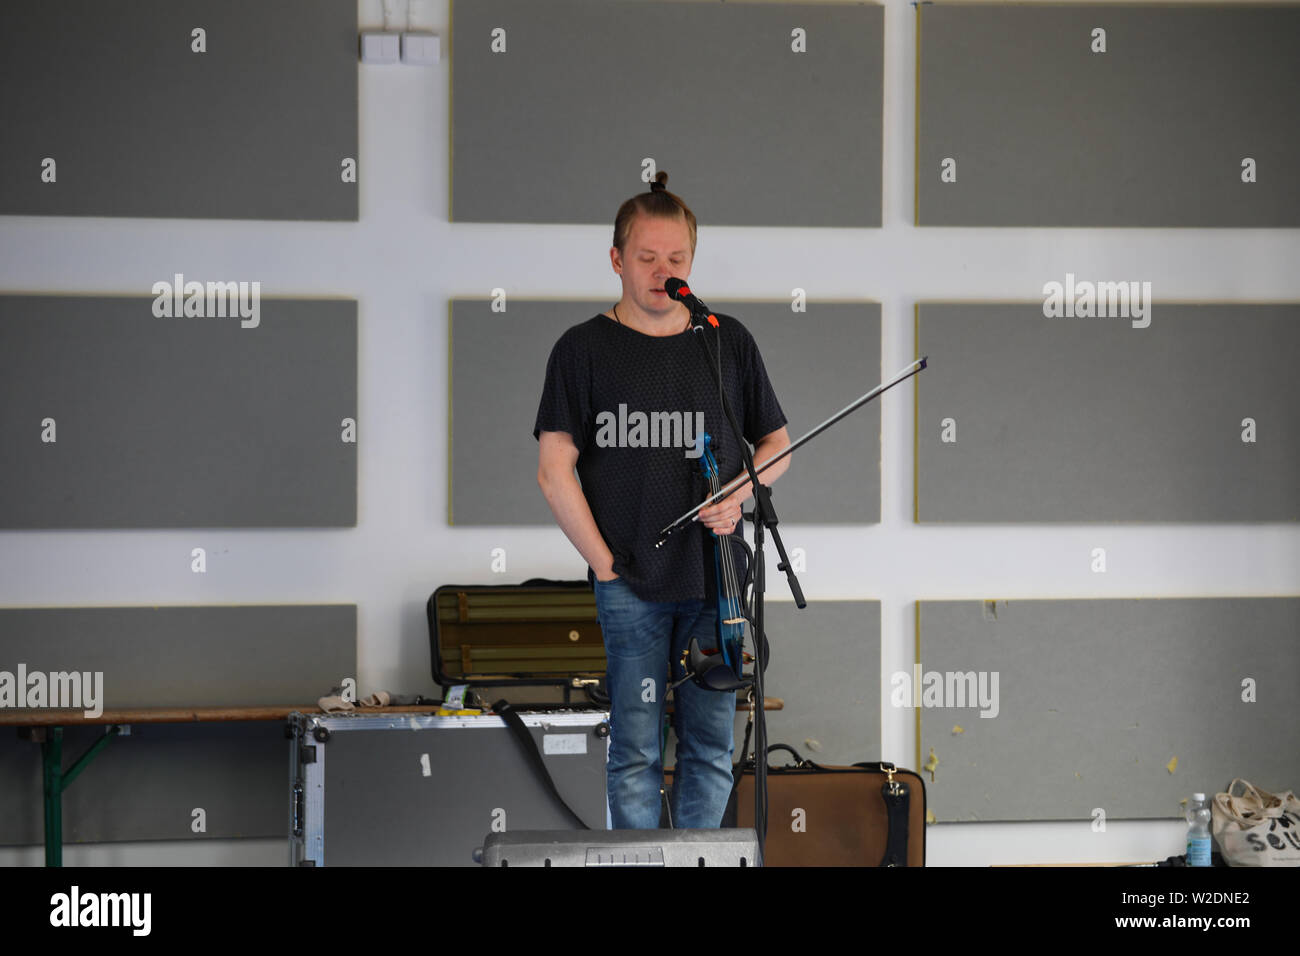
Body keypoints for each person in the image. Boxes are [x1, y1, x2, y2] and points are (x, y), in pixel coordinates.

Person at [534, 172, 791, 829]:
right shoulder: (582, 349)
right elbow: (553, 469)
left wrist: (741, 490)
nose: (662, 272)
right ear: (617, 259)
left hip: (718, 578)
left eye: (676, 260)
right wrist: (603, 565)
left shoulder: (724, 339)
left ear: (692, 262)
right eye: (646, 258)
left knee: (710, 749)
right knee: (635, 751)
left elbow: (777, 445)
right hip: (630, 582)